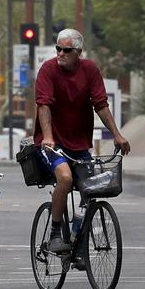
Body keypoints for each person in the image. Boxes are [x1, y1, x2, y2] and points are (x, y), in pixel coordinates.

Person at [34, 28, 130, 255]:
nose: (60, 53)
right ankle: (55, 233)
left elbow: (101, 104)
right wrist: (47, 137)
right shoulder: (48, 69)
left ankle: (78, 242)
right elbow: (43, 104)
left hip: (79, 144)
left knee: (93, 188)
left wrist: (117, 134)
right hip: (52, 144)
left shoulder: (90, 70)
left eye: (66, 50)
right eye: (58, 48)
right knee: (65, 178)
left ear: (78, 52)